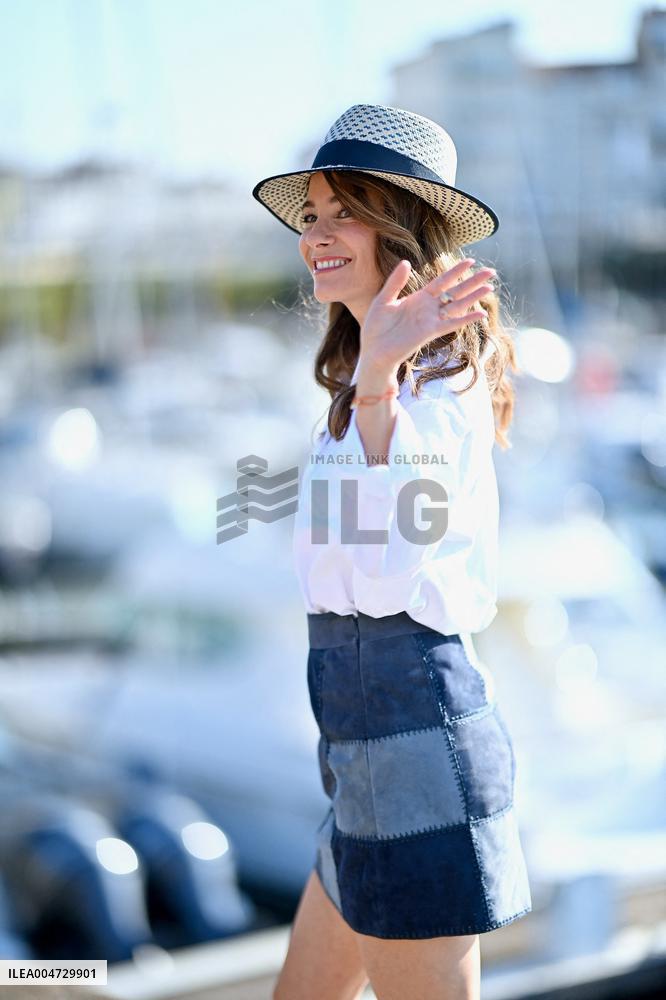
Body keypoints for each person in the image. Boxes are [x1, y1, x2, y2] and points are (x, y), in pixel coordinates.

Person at [253, 103, 532, 1000]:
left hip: (412, 742)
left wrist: (377, 380)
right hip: (362, 746)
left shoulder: (438, 378)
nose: (318, 235)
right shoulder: (368, 376)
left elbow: (384, 575)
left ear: (400, 228)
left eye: (345, 212)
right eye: (313, 214)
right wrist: (369, 378)